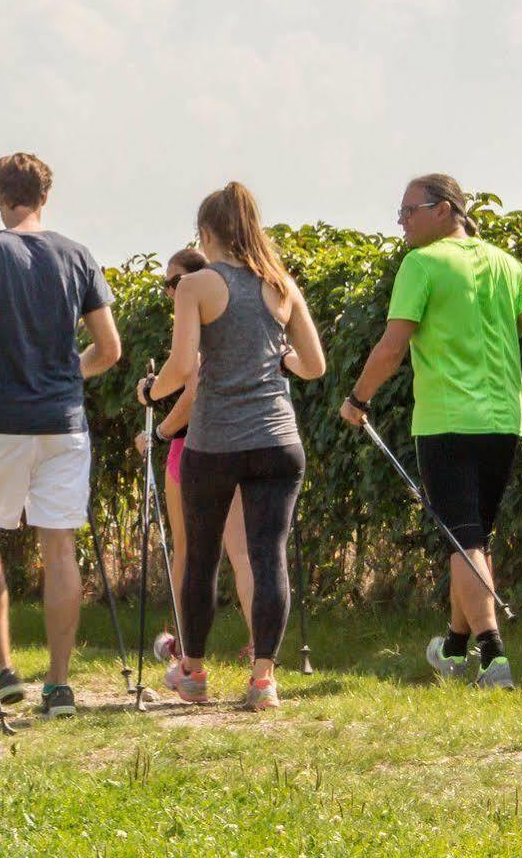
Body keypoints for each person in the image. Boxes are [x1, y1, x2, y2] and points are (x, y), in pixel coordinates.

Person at [338, 173, 522, 690]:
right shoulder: (508, 264)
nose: (402, 223)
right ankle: (455, 646)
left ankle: (493, 656)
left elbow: (392, 347)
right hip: (503, 424)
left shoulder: (421, 265)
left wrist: (357, 399)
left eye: (408, 212)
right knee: (474, 538)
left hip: (445, 423)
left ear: (444, 210)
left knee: (463, 540)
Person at [0, 152, 121, 719]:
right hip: (64, 421)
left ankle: (1, 671)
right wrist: (66, 375)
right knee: (58, 545)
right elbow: (109, 349)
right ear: (45, 197)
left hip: (0, 419)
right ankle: (59, 686)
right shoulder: (78, 255)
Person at [143, 184, 326, 710]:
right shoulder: (280, 284)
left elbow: (180, 369)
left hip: (216, 441)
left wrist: (149, 393)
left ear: (207, 232)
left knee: (200, 558)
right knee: (269, 556)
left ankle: (193, 673)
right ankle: (263, 678)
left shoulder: (196, 285)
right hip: (276, 439)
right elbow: (314, 366)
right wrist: (280, 360)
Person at [138, 248, 255, 679]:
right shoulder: (232, 319)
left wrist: (159, 430)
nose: (170, 291)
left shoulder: (194, 323)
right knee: (241, 550)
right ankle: (260, 645)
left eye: (174, 282)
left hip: (192, 449)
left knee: (187, 548)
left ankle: (184, 645)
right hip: (238, 439)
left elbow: (191, 393)